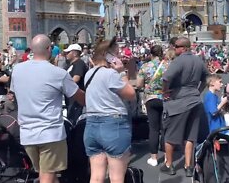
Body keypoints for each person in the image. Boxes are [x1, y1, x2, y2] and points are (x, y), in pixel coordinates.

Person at [11, 34, 85, 183]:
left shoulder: (17, 70)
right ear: (49, 49)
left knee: (48, 175)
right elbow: (79, 97)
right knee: (47, 177)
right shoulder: (58, 73)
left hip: (27, 134)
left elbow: (14, 93)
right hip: (50, 133)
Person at [83, 39, 136, 183]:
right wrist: (122, 72)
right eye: (116, 53)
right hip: (113, 125)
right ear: (108, 55)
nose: (119, 57)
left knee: (96, 176)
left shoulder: (89, 74)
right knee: (116, 177)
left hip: (92, 125)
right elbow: (131, 94)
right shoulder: (111, 75)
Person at [161, 37, 208, 177]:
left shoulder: (179, 60)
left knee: (170, 135)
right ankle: (188, 165)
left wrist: (165, 92)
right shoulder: (199, 60)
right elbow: (206, 78)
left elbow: (166, 78)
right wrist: (198, 91)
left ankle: (169, 164)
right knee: (190, 135)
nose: (174, 49)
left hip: (179, 101)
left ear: (184, 48)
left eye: (176, 47)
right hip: (195, 100)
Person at [136, 45, 168, 167]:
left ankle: (153, 157)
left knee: (154, 128)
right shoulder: (167, 66)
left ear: (151, 54)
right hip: (165, 98)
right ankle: (167, 156)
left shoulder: (145, 67)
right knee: (165, 127)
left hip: (151, 99)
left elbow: (139, 84)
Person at [64, 43, 88, 123]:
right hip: (70, 98)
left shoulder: (79, 63)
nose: (66, 54)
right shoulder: (69, 65)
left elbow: (76, 78)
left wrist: (63, 86)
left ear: (74, 53)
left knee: (74, 120)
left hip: (76, 99)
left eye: (68, 52)